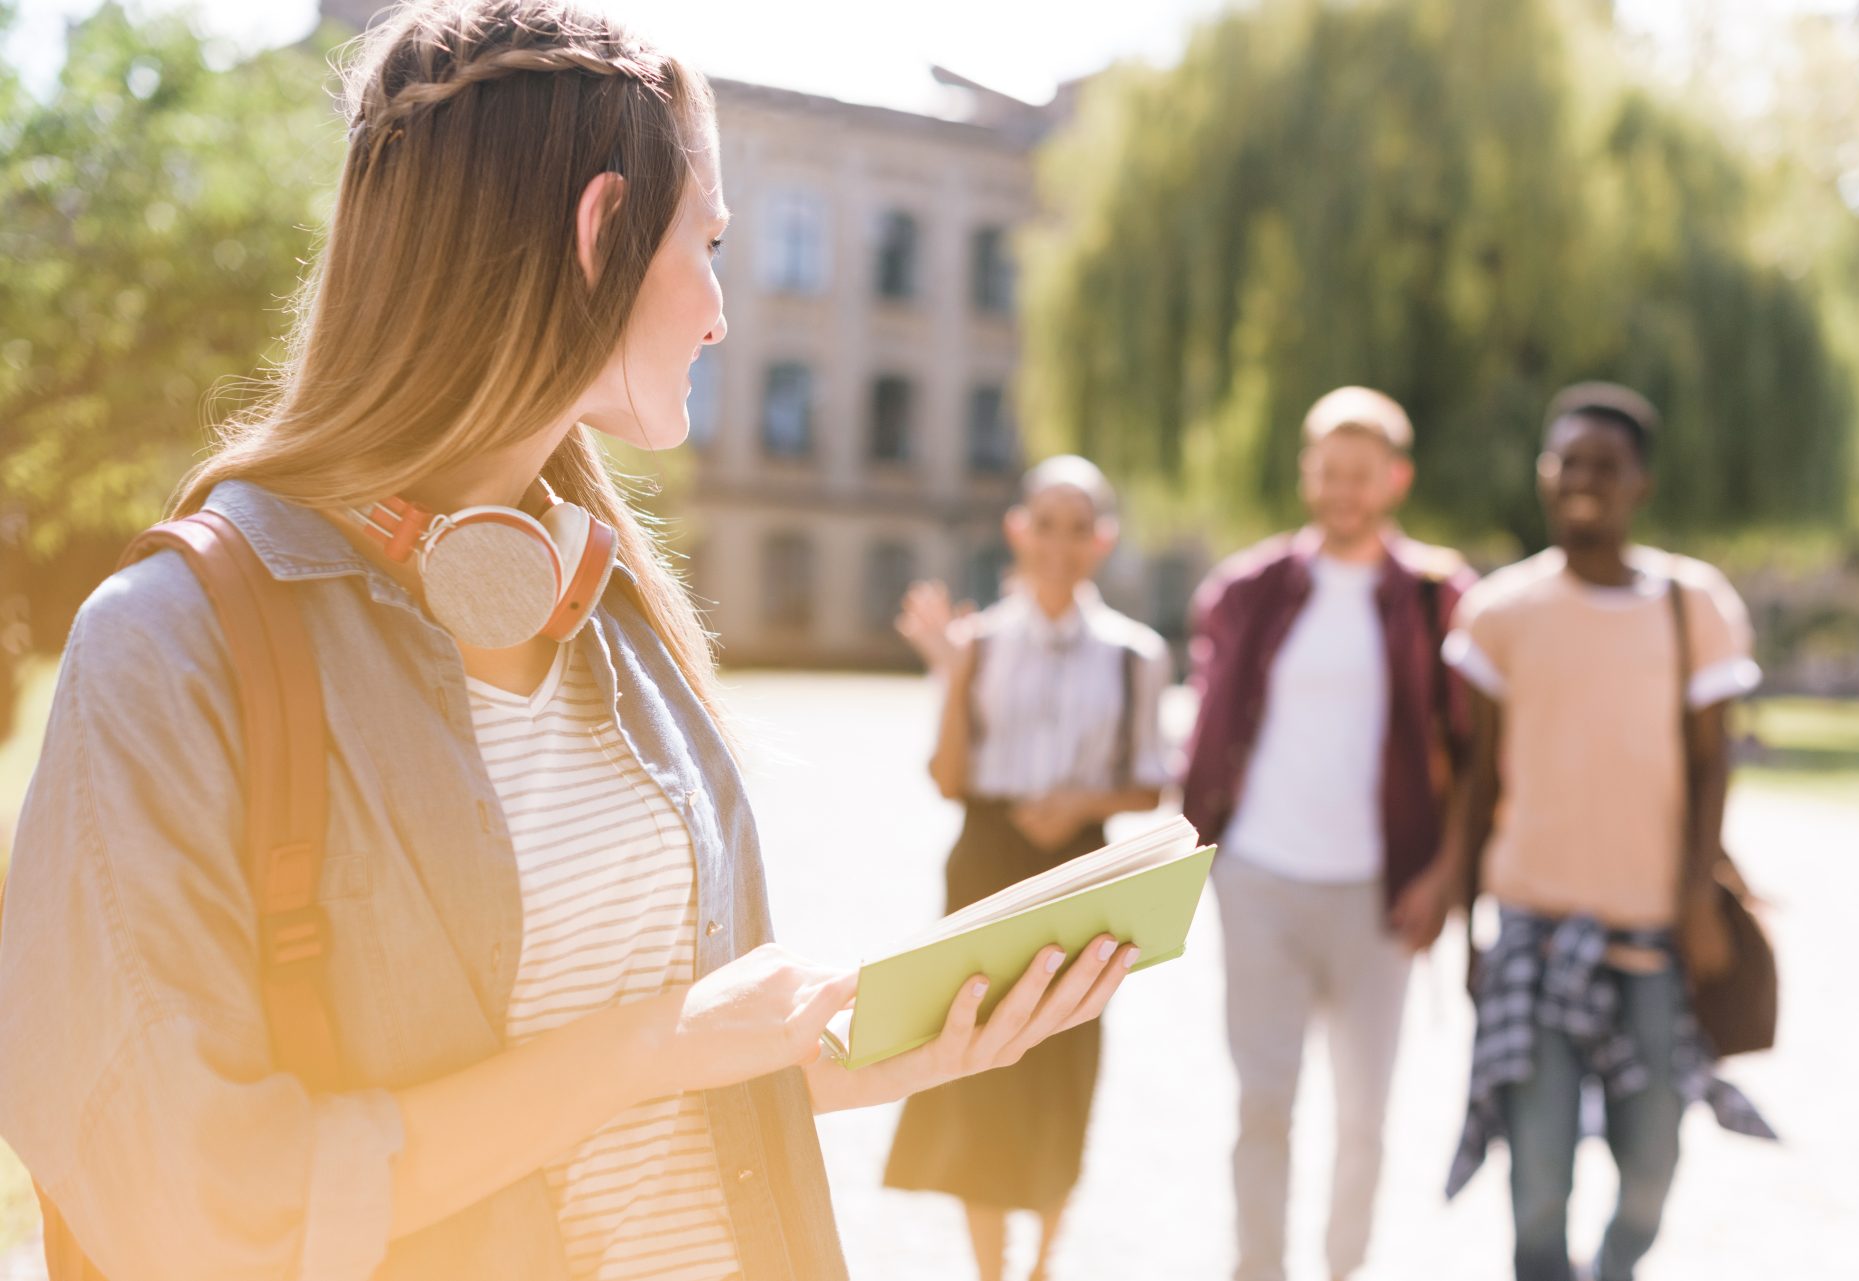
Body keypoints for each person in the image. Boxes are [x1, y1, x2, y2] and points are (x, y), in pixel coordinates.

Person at [0, 5, 1141, 1278]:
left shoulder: (616, 607)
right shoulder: (166, 652)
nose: (719, 314)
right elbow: (193, 1206)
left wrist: (860, 1051)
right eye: (707, 243)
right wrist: (653, 1043)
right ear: (600, 232)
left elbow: (644, 1090)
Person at [1436, 383, 1776, 1281]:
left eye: (1604, 465)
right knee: (1539, 1175)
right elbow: (1477, 781)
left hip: (1656, 936)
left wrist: (1697, 898)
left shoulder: (1691, 602)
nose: (1582, 479)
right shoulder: (1500, 613)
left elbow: (1714, 763)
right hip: (1532, 933)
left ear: (1640, 486)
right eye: (1566, 462)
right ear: (1546, 477)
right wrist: (1467, 920)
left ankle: (1615, 1268)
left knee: (1652, 1168)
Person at [1182, 387, 1473, 1281]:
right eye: (1328, 470)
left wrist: (1446, 879)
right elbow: (1206, 733)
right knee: (1263, 1101)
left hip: (1380, 894)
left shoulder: (1437, 595)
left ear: (1395, 478)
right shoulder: (1248, 589)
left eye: (1363, 472)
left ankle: (1345, 1269)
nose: (1344, 489)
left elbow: (1471, 758)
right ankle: (1256, 1268)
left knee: (1365, 1117)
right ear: (1308, 472)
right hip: (1260, 879)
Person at [883, 455, 1173, 1281]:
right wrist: (955, 673)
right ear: (1018, 529)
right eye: (1044, 522)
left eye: (1078, 527)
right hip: (985, 857)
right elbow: (945, 779)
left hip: (1083, 862)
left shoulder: (1134, 654)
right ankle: (990, 1271)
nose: (1059, 543)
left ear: (1102, 541)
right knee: (974, 1048)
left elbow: (1152, 781)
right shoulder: (977, 644)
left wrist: (1081, 804)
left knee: (1063, 1057)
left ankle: (1044, 1263)